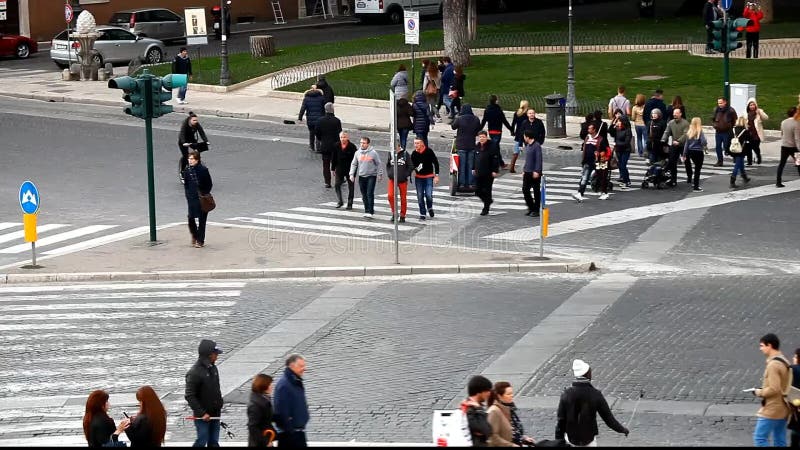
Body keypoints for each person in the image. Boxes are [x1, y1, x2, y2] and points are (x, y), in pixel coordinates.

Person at [555, 359, 629, 447]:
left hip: (571, 440)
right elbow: (609, 419)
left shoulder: (566, 394)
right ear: (587, 374)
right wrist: (623, 429)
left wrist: (558, 442)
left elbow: (561, 421)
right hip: (588, 440)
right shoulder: (595, 394)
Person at [750, 333, 792, 447]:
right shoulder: (784, 360)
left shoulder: (773, 365)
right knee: (780, 440)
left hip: (772, 409)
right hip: (784, 407)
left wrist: (758, 392)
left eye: (762, 345)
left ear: (769, 345)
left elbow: (774, 388)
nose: (760, 348)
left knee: (759, 438)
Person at [185, 339, 224, 447]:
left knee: (214, 442)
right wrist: (202, 413)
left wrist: (219, 404)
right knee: (202, 440)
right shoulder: (194, 373)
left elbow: (216, 389)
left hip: (215, 413)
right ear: (209, 355)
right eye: (215, 353)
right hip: (203, 416)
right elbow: (190, 396)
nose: (217, 356)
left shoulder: (213, 368)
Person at [273, 354, 310, 448]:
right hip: (290, 436)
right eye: (301, 366)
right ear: (292, 366)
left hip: (297, 433)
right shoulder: (284, 385)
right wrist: (290, 432)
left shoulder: (295, 382)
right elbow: (281, 412)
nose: (304, 369)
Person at [487, 381, 535, 447]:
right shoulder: (494, 411)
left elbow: (513, 430)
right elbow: (492, 437)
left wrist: (524, 438)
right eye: (508, 394)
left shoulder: (509, 408)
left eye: (512, 393)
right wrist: (511, 445)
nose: (512, 395)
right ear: (499, 396)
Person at [183, 150, 213, 248]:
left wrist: (204, 193)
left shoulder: (203, 170)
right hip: (192, 198)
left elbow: (209, 184)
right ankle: (195, 235)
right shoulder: (187, 170)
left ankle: (200, 240)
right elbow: (186, 184)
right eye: (189, 158)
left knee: (202, 220)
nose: (190, 160)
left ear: (197, 160)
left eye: (192, 159)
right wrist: (188, 195)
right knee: (191, 218)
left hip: (202, 198)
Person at [349, 136, 383, 219]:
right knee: (364, 194)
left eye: (364, 143)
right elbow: (354, 164)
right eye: (361, 143)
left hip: (371, 176)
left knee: (369, 193)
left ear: (368, 144)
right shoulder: (357, 153)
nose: (362, 144)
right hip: (361, 176)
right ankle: (366, 209)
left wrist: (379, 174)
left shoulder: (373, 153)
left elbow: (378, 163)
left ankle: (370, 211)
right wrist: (351, 174)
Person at [452, 103, 482, 189]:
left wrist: (456, 117)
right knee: (470, 166)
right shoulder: (476, 119)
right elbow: (478, 130)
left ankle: (461, 183)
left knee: (462, 165)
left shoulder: (460, 118)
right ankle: (470, 183)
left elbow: (453, 127)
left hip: (461, 145)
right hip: (471, 145)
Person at [572, 123, 603, 203]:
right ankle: (580, 193)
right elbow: (585, 149)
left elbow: (602, 149)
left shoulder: (599, 139)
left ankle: (604, 191)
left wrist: (598, 154)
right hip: (587, 162)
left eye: (590, 129)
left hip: (596, 161)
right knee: (584, 178)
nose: (588, 130)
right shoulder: (587, 137)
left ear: (594, 130)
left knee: (600, 176)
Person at [480, 95, 513, 169]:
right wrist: (511, 129)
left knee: (495, 147)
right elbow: (505, 121)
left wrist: (479, 129)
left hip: (491, 131)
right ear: (495, 101)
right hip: (498, 131)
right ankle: (497, 163)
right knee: (495, 148)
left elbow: (483, 121)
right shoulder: (499, 110)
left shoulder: (487, 110)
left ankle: (500, 163)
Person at [472, 131, 501, 216]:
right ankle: (488, 201)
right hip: (479, 172)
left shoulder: (492, 146)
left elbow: (496, 159)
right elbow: (474, 158)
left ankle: (486, 208)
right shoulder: (477, 146)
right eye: (480, 137)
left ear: (486, 137)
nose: (481, 138)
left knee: (487, 190)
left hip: (488, 172)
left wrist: (495, 170)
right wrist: (473, 168)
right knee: (477, 191)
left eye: (483, 137)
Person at [410, 137, 439, 221]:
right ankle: (422, 213)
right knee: (420, 196)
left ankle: (429, 207)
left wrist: (436, 175)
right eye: (415, 143)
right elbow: (412, 165)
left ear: (422, 143)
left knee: (428, 195)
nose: (416, 145)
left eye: (418, 143)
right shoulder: (414, 154)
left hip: (429, 176)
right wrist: (411, 171)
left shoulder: (429, 151)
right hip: (419, 178)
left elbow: (435, 163)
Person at [315, 102, 342, 188]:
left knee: (326, 165)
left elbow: (317, 133)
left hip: (325, 145)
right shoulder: (337, 121)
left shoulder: (320, 120)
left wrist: (321, 139)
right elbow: (339, 133)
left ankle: (327, 182)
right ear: (333, 110)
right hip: (335, 146)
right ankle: (338, 180)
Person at [661, 106, 690, 187]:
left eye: (676, 113)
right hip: (674, 144)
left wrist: (678, 141)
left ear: (680, 114)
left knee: (686, 161)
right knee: (672, 161)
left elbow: (686, 134)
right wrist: (663, 140)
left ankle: (689, 176)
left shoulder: (685, 123)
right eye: (674, 113)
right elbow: (667, 132)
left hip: (683, 145)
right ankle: (673, 180)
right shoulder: (671, 123)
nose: (675, 115)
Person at [461, 375, 493, 447]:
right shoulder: (470, 410)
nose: (489, 393)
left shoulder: (473, 407)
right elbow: (486, 430)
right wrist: (479, 409)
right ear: (479, 392)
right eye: (488, 390)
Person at [178, 112, 209, 183]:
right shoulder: (185, 125)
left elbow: (201, 132)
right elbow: (182, 134)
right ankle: (182, 172)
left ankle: (197, 166)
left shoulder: (197, 124)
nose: (196, 122)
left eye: (196, 120)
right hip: (183, 141)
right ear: (190, 120)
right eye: (194, 120)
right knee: (186, 156)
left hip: (191, 139)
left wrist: (206, 141)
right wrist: (183, 143)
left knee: (197, 152)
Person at [247, 374, 275, 447]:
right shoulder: (256, 405)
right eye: (270, 384)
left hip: (266, 438)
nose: (271, 386)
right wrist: (265, 441)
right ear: (264, 385)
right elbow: (253, 427)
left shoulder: (263, 400)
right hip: (260, 442)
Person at [331, 131, 358, 209]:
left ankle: (350, 203)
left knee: (351, 186)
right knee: (337, 184)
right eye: (341, 137)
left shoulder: (352, 147)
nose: (343, 139)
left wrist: (354, 171)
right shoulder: (336, 145)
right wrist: (333, 168)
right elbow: (333, 158)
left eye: (344, 137)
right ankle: (340, 201)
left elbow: (355, 160)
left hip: (350, 169)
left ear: (348, 137)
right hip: (339, 168)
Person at [522, 128, 543, 216]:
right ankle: (531, 207)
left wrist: (537, 171)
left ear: (527, 137)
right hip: (527, 171)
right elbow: (527, 160)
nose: (523, 138)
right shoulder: (528, 146)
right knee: (525, 190)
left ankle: (536, 209)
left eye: (524, 136)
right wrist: (524, 169)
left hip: (534, 172)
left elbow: (539, 159)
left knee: (536, 191)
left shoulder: (536, 146)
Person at [387, 143, 410, 222]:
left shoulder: (405, 154)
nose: (392, 148)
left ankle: (403, 214)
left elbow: (410, 166)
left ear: (398, 146)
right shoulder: (390, 153)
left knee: (403, 197)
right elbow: (388, 165)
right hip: (392, 179)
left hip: (402, 180)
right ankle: (394, 213)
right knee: (390, 196)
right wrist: (389, 173)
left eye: (394, 147)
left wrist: (405, 175)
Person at [777, 107, 800, 188]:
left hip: (784, 146)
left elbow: (782, 133)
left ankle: (778, 182)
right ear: (795, 113)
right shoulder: (796, 123)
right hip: (794, 147)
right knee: (799, 164)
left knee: (782, 164)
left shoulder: (783, 122)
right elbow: (797, 138)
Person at [683, 117, 708, 192]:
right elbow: (703, 142)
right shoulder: (700, 132)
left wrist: (684, 153)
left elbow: (686, 144)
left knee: (695, 167)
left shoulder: (689, 132)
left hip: (690, 151)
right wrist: (705, 144)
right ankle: (696, 186)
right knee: (697, 169)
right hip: (698, 151)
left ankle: (694, 182)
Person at [298, 84, 326, 152]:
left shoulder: (306, 98)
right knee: (319, 133)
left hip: (310, 119)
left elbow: (303, 108)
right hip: (320, 118)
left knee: (311, 133)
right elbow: (325, 108)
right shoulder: (321, 98)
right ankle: (318, 148)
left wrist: (300, 117)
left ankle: (311, 146)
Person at [609, 111, 633, 188]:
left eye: (619, 121)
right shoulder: (617, 129)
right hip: (618, 150)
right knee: (620, 165)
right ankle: (625, 179)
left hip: (625, 150)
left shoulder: (628, 130)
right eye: (618, 121)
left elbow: (627, 142)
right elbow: (610, 132)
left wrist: (617, 144)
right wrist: (613, 124)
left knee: (623, 165)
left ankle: (627, 181)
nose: (618, 122)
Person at [712, 97, 738, 167]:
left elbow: (735, 120)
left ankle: (735, 157)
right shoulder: (716, 110)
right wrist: (715, 125)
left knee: (728, 146)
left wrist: (730, 126)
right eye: (718, 103)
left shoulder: (731, 110)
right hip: (718, 131)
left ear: (725, 102)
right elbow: (713, 118)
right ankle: (720, 161)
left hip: (727, 131)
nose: (719, 104)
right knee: (718, 147)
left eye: (721, 103)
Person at [745, 98, 769, 166]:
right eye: (750, 105)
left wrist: (760, 113)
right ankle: (749, 161)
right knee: (748, 148)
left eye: (753, 105)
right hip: (748, 133)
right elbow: (743, 121)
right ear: (748, 106)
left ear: (755, 105)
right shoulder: (746, 113)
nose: (752, 106)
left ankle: (758, 157)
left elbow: (766, 118)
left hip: (756, 133)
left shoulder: (759, 112)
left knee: (755, 147)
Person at [508, 100, 530, 173]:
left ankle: (512, 167)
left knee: (516, 152)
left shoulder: (517, 113)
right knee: (528, 152)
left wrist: (512, 131)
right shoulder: (527, 114)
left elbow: (513, 123)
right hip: (526, 134)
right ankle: (527, 168)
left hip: (518, 134)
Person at [730, 116, 751, 188]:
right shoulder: (745, 131)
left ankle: (744, 177)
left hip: (733, 149)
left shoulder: (733, 129)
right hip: (741, 149)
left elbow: (729, 139)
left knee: (740, 163)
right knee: (737, 165)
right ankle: (732, 180)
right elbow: (748, 141)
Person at [790, 348, 800, 448]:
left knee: (795, 436)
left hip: (797, 409)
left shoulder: (794, 369)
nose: (793, 358)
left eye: (795, 356)